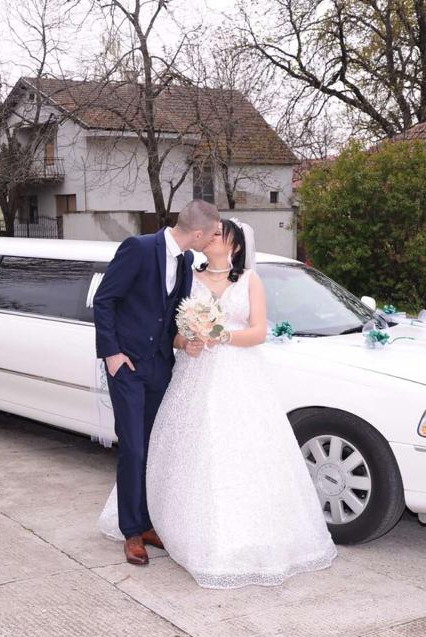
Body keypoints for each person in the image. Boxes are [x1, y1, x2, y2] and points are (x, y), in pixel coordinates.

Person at [99, 218, 337, 589]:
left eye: (220, 234)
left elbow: (258, 331)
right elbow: (169, 329)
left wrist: (220, 335)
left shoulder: (250, 280)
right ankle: (145, 525)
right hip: (193, 373)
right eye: (210, 232)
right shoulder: (187, 274)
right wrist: (186, 342)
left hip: (238, 377)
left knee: (238, 454)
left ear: (235, 246)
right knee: (171, 451)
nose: (212, 237)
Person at [92, 199, 220, 566]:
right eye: (212, 234)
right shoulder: (138, 248)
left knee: (153, 448)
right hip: (127, 367)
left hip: (160, 367)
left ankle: (148, 523)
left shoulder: (186, 261)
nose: (214, 239)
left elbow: (171, 317)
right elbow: (104, 301)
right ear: (198, 233)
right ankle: (131, 531)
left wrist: (187, 339)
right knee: (133, 448)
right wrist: (112, 354)